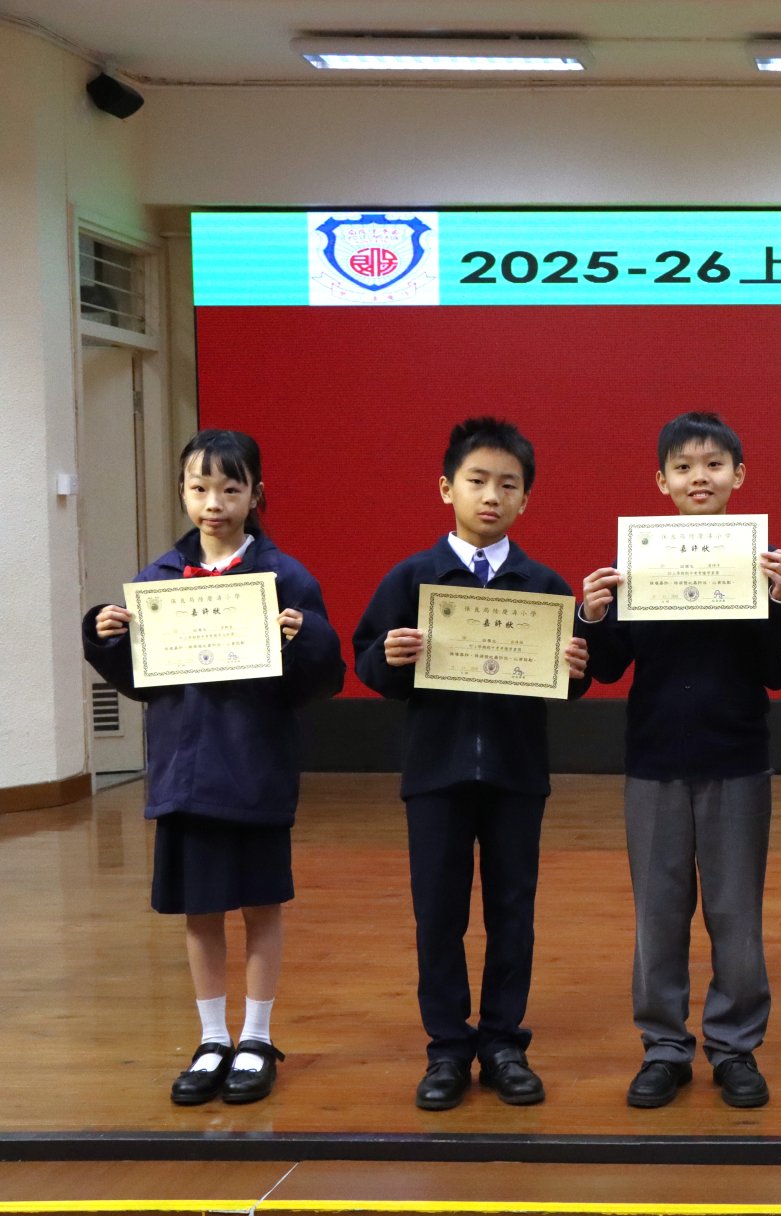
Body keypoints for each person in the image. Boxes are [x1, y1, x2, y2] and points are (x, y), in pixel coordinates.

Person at [82, 429, 345, 1106]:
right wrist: (105, 638)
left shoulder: (286, 579)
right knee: (199, 910)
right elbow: (142, 682)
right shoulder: (158, 579)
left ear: (256, 494)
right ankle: (211, 1039)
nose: (214, 502)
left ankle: (256, 1037)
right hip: (185, 775)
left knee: (260, 906)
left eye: (231, 488)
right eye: (199, 487)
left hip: (254, 770)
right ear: (182, 492)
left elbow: (324, 679)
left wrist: (307, 638)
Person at [351, 417, 590, 1111]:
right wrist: (389, 658)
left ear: (525, 500)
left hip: (517, 774)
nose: (492, 496)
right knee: (439, 915)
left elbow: (569, 683)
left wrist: (577, 667)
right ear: (446, 488)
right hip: (436, 775)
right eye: (477, 481)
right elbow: (369, 662)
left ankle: (504, 1043)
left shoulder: (543, 583)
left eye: (508, 485)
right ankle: (448, 1048)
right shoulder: (413, 578)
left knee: (513, 912)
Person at [576, 412, 781, 1110]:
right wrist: (593, 614)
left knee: (736, 916)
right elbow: (609, 666)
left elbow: (778, 672)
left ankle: (735, 1048)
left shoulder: (764, 564)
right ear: (661, 481)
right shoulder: (639, 558)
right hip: (655, 759)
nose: (698, 478)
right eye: (683, 467)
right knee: (659, 916)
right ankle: (664, 1048)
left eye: (712, 465)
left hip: (737, 758)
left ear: (739, 475)